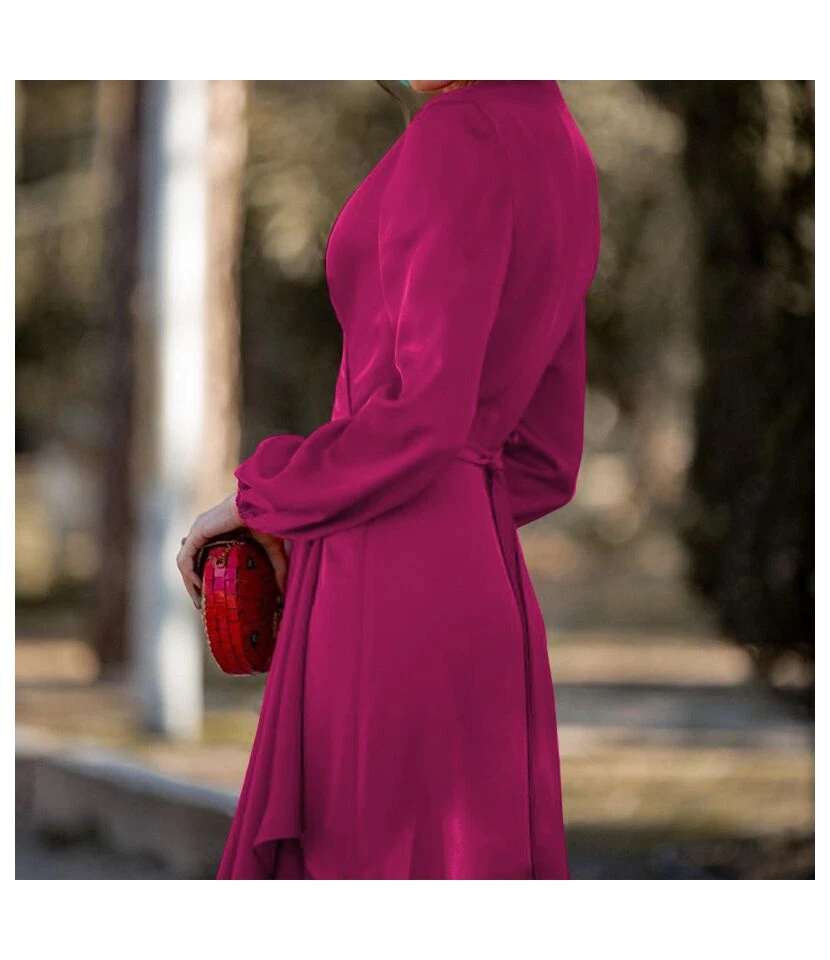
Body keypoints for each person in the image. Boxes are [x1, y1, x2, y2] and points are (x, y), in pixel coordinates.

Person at [177, 80, 600, 880]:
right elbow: (549, 458)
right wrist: (453, 515)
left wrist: (267, 500)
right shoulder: (563, 147)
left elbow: (423, 414)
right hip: (485, 582)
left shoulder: (458, 132)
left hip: (384, 579)